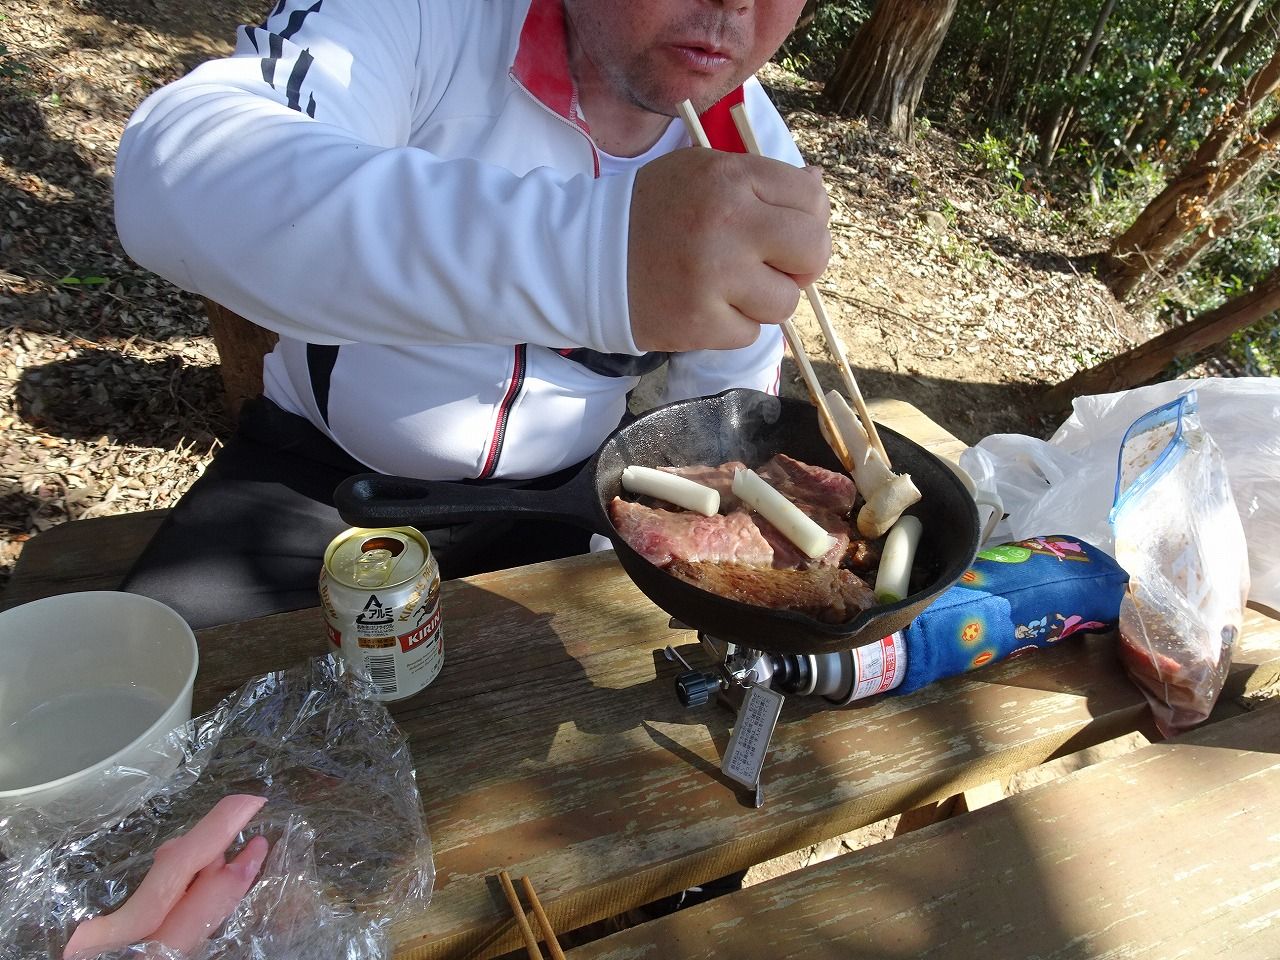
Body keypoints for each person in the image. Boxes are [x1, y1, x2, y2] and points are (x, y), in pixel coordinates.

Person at [113, 0, 832, 629]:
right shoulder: (429, 17)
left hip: (569, 500)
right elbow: (176, 170)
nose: (736, 2)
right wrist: (590, 254)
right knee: (150, 707)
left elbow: (721, 419)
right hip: (320, 481)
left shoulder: (754, 152)